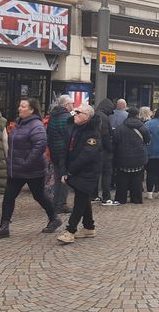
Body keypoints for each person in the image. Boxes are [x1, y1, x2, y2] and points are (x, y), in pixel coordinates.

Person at [0, 98, 62, 240]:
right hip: (16, 169)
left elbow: (40, 145)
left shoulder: (36, 125)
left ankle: (54, 218)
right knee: (9, 196)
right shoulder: (19, 123)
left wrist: (26, 162)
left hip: (32, 170)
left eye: (23, 106)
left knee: (39, 195)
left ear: (31, 110)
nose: (19, 108)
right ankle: (4, 227)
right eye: (19, 106)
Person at [56, 104, 102, 244]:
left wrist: (70, 171)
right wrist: (64, 169)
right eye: (74, 111)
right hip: (73, 168)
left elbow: (86, 155)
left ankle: (70, 230)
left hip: (87, 171)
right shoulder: (72, 128)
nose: (74, 114)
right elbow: (64, 149)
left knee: (80, 199)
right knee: (83, 197)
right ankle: (89, 227)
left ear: (87, 117)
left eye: (78, 112)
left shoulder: (93, 133)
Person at [112, 107, 150, 204]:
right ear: (137, 115)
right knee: (137, 179)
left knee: (122, 179)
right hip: (139, 157)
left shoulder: (120, 128)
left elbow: (115, 142)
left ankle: (121, 198)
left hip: (122, 157)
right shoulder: (142, 127)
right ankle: (136, 198)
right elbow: (148, 140)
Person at [46, 94, 74, 213]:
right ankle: (61, 204)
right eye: (71, 103)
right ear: (66, 105)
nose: (73, 105)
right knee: (64, 179)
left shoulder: (53, 116)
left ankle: (54, 203)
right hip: (64, 153)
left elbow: (49, 135)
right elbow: (70, 136)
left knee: (58, 178)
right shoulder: (68, 118)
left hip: (54, 152)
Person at [94, 98, 116, 205]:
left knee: (95, 173)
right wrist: (111, 149)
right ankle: (106, 197)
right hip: (104, 151)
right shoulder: (104, 118)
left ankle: (93, 195)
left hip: (93, 150)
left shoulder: (94, 114)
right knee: (106, 174)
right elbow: (106, 136)